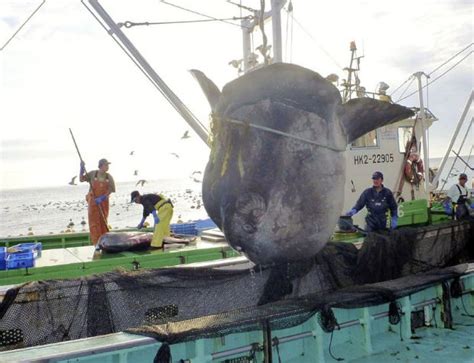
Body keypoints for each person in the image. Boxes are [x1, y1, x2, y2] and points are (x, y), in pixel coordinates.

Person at [79, 158, 115, 244]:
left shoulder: (109, 177)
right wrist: (81, 169)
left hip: (103, 202)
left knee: (103, 221)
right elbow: (81, 179)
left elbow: (111, 189)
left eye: (108, 165)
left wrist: (103, 197)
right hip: (93, 202)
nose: (107, 167)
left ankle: (104, 242)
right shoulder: (93, 174)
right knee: (94, 223)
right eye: (106, 165)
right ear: (101, 165)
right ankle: (96, 243)